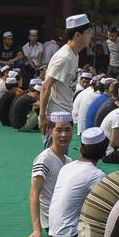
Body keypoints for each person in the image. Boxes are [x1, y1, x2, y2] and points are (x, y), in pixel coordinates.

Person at [46, 127, 109, 237]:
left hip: (54, 233)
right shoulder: (96, 175)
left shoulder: (67, 167)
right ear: (104, 154)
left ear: (81, 149)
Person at [37, 14, 91, 150]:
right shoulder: (64, 57)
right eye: (88, 32)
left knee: (60, 160)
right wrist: (42, 116)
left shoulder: (74, 54)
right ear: (78, 34)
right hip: (56, 116)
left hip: (65, 112)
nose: (90, 36)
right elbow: (45, 86)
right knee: (52, 159)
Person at [22, 112, 73, 237]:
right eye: (59, 130)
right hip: (54, 221)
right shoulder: (44, 159)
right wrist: (37, 230)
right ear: (50, 131)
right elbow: (34, 194)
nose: (64, 135)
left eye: (67, 130)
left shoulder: (69, 161)